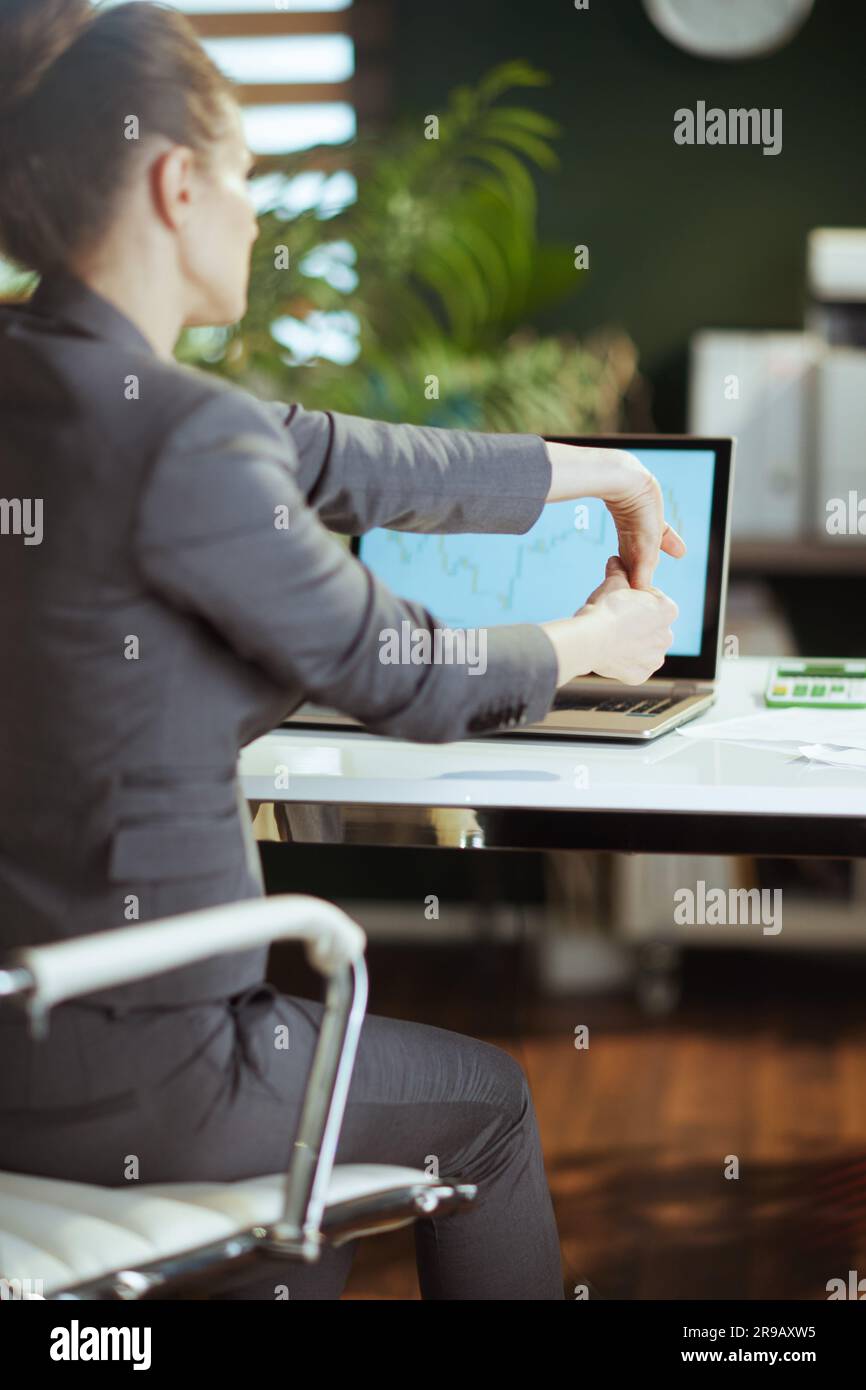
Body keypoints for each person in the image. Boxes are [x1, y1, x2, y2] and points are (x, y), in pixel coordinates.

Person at [0, 0, 682, 1300]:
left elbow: (333, 451)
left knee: (292, 1246)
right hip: (155, 1071)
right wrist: (602, 638)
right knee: (484, 1105)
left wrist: (591, 472)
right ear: (177, 182)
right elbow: (405, 671)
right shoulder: (177, 440)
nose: (259, 211)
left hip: (14, 1047)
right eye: (251, 176)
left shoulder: (62, 385)